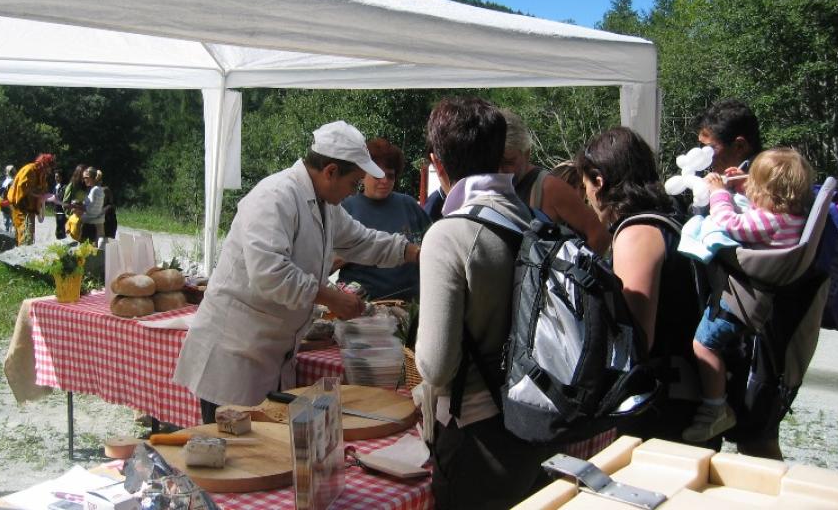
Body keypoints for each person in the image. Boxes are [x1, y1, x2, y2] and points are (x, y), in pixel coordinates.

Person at [173, 121, 420, 422]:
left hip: (270, 356)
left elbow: (360, 240)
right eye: (354, 182)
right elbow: (270, 274)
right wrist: (329, 297)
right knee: (235, 459)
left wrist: (413, 252)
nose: (354, 191)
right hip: (234, 356)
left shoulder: (326, 204)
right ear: (330, 171)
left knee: (265, 454)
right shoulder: (274, 196)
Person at [416, 97, 553, 509]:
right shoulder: (530, 220)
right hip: (531, 420)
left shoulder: (449, 234)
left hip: (475, 435)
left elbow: (436, 365)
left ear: (437, 163)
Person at [578, 127, 704, 443]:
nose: (588, 199)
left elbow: (635, 338)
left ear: (599, 180)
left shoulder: (637, 232)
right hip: (684, 393)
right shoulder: (669, 217)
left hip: (661, 407)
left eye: (586, 188)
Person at [682, 148, 814, 443]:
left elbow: (731, 222)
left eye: (755, 186)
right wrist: (743, 185)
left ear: (769, 194)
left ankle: (715, 409)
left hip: (740, 303)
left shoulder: (772, 222)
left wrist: (718, 192)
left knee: (703, 345)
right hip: (757, 305)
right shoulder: (792, 217)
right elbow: (758, 210)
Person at [499, 109, 610, 255]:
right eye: (495, 161)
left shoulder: (549, 188)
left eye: (508, 162)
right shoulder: (485, 185)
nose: (500, 170)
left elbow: (599, 235)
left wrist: (573, 275)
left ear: (527, 153)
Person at [338, 137, 430, 301]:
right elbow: (320, 264)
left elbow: (432, 248)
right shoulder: (344, 209)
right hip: (361, 307)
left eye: (390, 176)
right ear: (362, 174)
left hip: (409, 304)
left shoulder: (409, 205)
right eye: (377, 175)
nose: (384, 181)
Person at [697, 98, 762, 173]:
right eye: (701, 146)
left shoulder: (768, 179)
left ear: (739, 147)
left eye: (709, 148)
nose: (703, 155)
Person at [6, 153, 56, 245]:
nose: (49, 170)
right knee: (23, 231)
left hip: (31, 207)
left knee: (30, 233)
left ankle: (28, 250)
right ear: (43, 164)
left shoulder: (42, 173)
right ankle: (22, 253)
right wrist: (39, 194)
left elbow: (42, 188)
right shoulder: (29, 170)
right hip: (20, 205)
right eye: (49, 167)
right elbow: (23, 190)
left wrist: (45, 195)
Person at [78, 167, 105, 244]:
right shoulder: (98, 189)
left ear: (93, 177)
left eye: (86, 177)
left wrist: (78, 207)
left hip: (89, 224)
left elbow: (90, 209)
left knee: (83, 251)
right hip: (94, 223)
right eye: (83, 178)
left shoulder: (94, 190)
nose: (84, 180)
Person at [0, 164, 15, 233]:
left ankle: (7, 232)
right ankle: (12, 233)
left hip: (5, 202)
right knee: (13, 219)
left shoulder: (7, 180)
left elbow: (0, 191)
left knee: (6, 219)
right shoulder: (14, 180)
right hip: (12, 202)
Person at [52, 169, 66, 239]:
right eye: (55, 177)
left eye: (57, 177)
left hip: (62, 210)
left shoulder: (64, 187)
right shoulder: (56, 186)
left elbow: (60, 197)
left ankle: (61, 240)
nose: (56, 178)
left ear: (61, 177)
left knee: (60, 227)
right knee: (59, 225)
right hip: (56, 209)